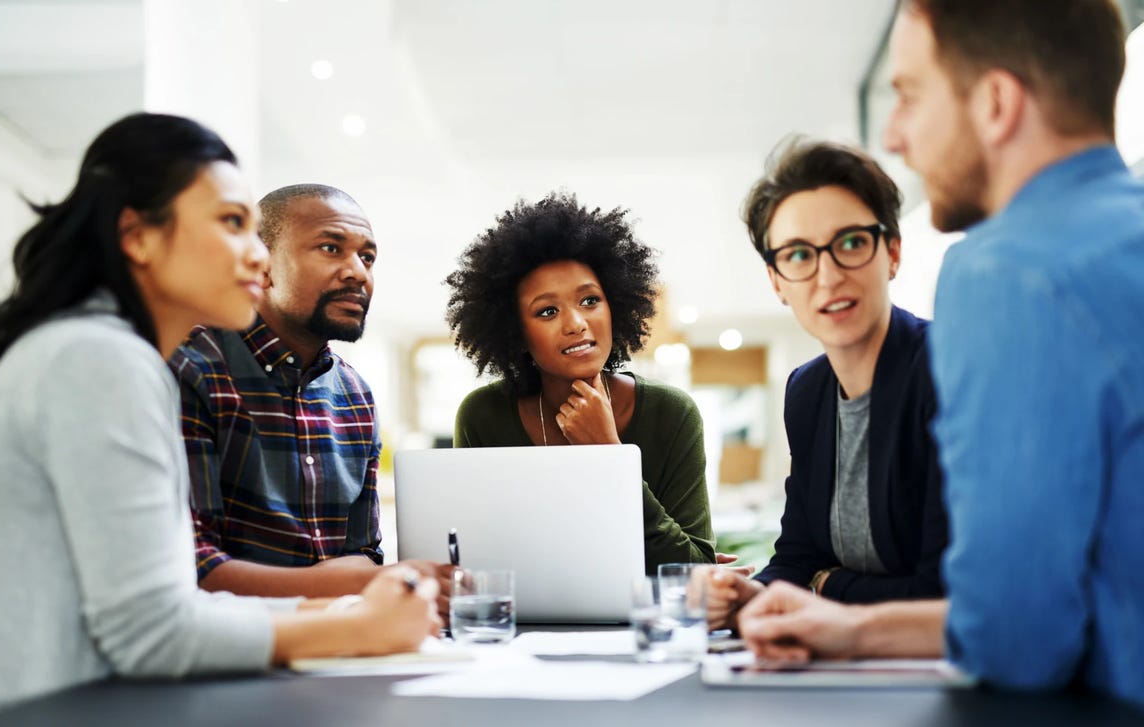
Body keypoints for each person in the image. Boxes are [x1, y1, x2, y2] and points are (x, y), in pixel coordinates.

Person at [0, 113, 439, 722]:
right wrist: (355, 628)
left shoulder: (101, 351)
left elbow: (159, 610)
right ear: (138, 237)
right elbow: (154, 631)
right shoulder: (99, 359)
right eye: (233, 224)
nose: (257, 255)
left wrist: (338, 612)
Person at [739, 0, 1144, 708]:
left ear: (995, 103)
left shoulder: (1008, 271)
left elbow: (1018, 638)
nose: (895, 134)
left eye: (909, 96)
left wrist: (842, 617)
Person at [169, 184, 453, 616]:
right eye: (330, 248)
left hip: (337, 646)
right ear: (261, 266)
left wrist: (372, 581)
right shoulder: (193, 369)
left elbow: (363, 554)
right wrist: (354, 583)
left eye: (367, 257)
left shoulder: (355, 396)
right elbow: (190, 568)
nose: (357, 271)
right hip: (229, 652)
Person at [701, 140, 947, 629]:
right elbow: (798, 553)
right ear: (777, 281)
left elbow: (940, 588)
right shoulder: (807, 391)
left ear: (891, 252)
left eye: (851, 243)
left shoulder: (946, 368)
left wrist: (826, 585)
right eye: (798, 255)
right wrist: (749, 594)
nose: (828, 276)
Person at [444, 192, 715, 574]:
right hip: (522, 627)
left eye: (589, 300)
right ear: (517, 333)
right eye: (548, 311)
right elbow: (473, 563)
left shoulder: (671, 413)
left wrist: (610, 454)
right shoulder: (483, 416)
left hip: (642, 626)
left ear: (615, 306)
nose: (575, 323)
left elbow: (693, 570)